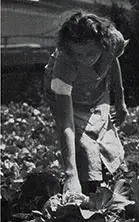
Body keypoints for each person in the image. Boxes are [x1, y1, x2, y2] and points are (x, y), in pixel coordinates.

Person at [44, 11, 129, 195]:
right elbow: (66, 125)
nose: (85, 59)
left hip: (96, 90)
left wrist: (120, 100)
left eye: (90, 52)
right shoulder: (64, 64)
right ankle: (83, 186)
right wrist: (70, 174)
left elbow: (112, 61)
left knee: (103, 131)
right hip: (67, 96)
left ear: (102, 43)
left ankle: (109, 174)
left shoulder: (112, 40)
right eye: (78, 55)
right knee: (81, 142)